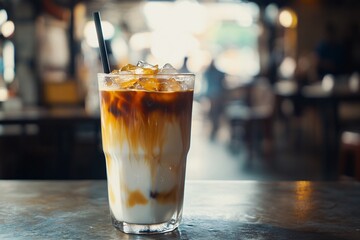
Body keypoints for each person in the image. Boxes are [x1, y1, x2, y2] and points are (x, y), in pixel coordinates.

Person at [203, 59, 226, 140]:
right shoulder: (217, 73)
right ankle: (214, 130)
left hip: (211, 95)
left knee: (213, 114)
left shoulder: (208, 72)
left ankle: (213, 130)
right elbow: (223, 77)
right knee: (215, 114)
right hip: (216, 95)